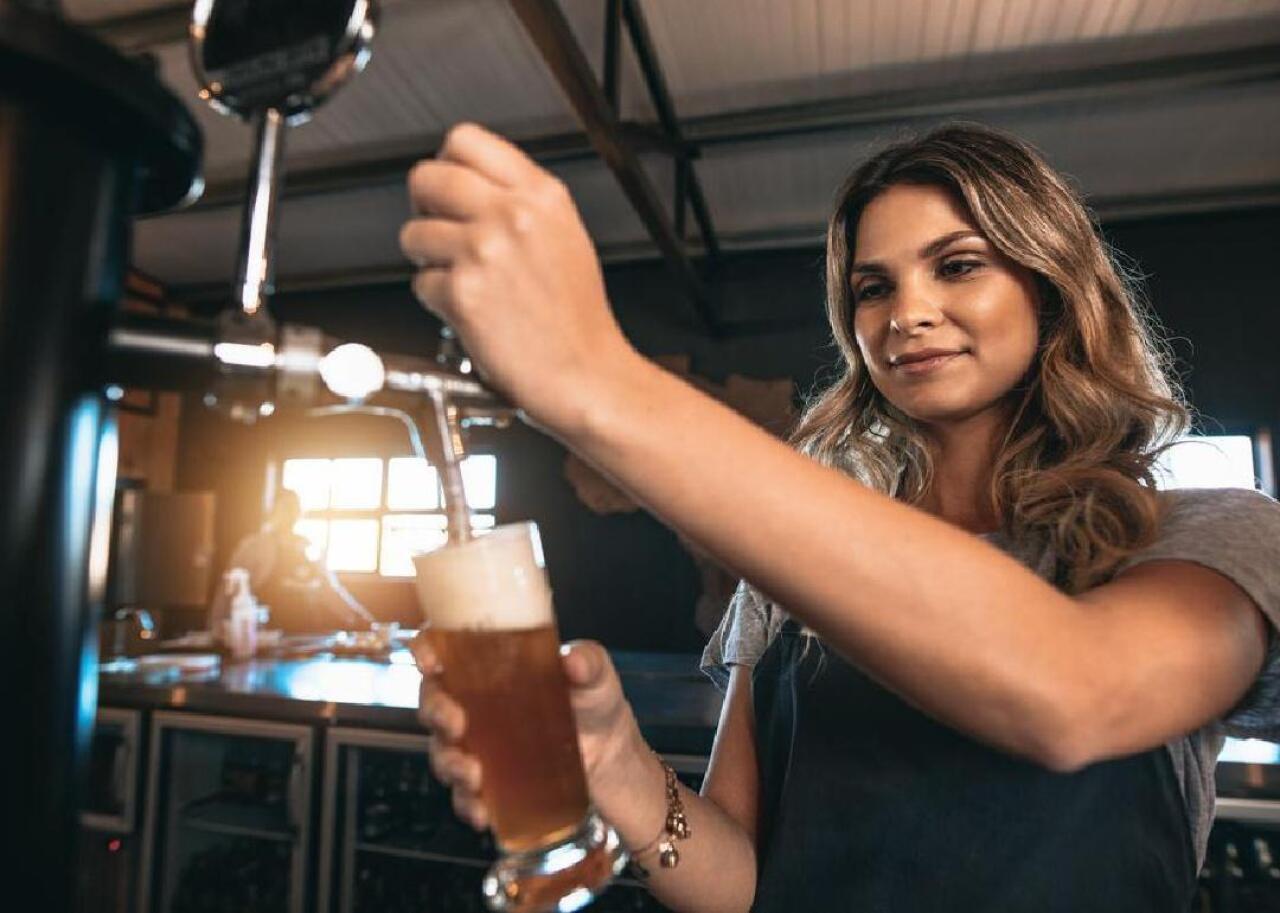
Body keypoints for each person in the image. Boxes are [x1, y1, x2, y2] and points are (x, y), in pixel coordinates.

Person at [399, 121, 1280, 911]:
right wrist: (620, 768)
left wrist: (593, 376)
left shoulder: (1203, 538)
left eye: (959, 264)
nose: (908, 313)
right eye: (872, 286)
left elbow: (1069, 694)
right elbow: (740, 884)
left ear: (1049, 287)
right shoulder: (793, 572)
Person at [210, 488, 374, 635]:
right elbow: (229, 587)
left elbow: (330, 589)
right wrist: (215, 624)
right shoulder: (254, 546)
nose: (289, 514)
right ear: (272, 512)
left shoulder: (309, 545)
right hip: (267, 633)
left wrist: (362, 619)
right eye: (284, 508)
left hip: (307, 632)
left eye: (293, 509)